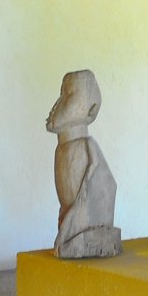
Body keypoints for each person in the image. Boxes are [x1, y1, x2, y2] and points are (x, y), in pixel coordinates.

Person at [45, 69, 122, 259]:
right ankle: (69, 237)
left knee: (75, 218)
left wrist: (83, 194)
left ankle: (76, 239)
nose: (57, 104)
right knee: (67, 213)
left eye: (68, 94)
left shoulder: (86, 145)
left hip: (83, 212)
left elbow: (101, 178)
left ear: (91, 108)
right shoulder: (63, 149)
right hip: (70, 211)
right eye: (61, 94)